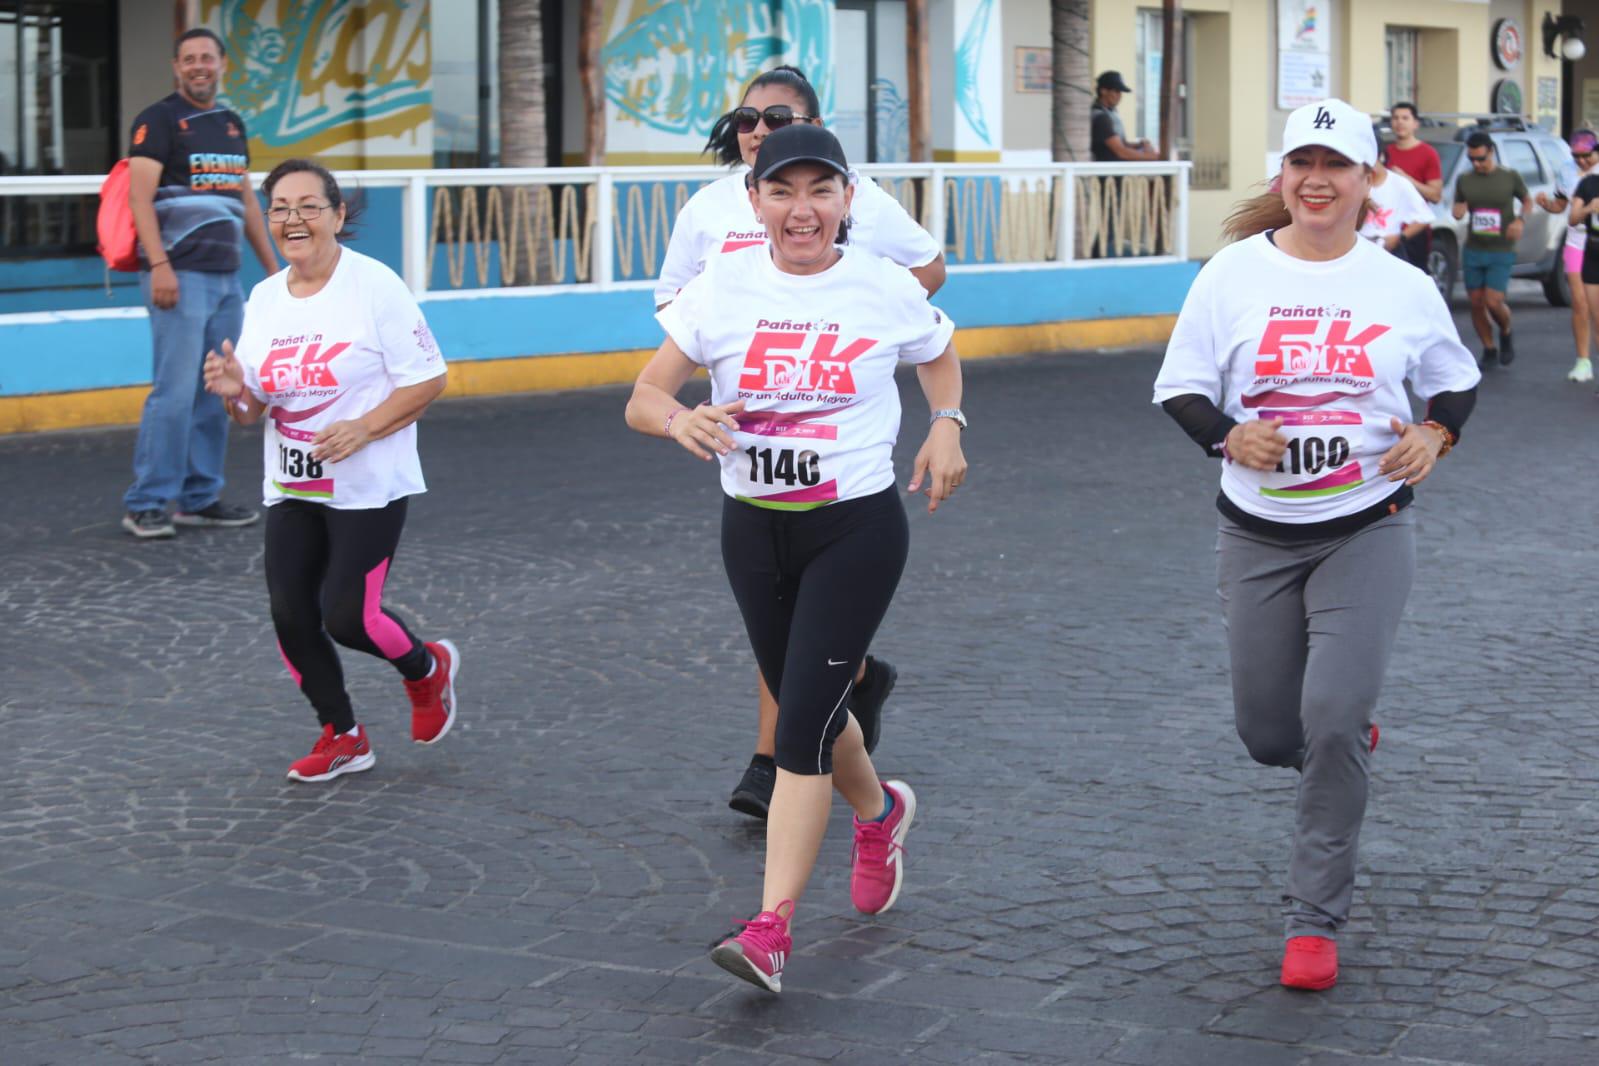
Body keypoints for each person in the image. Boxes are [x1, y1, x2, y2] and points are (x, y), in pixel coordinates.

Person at [626, 124, 967, 993]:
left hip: (853, 527)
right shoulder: (722, 284)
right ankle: (880, 811)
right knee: (811, 705)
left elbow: (937, 356)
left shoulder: (883, 284)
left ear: (847, 200)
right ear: (756, 203)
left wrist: (945, 427)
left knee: (798, 731)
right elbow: (644, 395)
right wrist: (679, 421)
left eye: (820, 190)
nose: (801, 209)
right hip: (751, 528)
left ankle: (770, 928)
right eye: (782, 192)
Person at [1152, 98, 1479, 992]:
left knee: (1329, 720)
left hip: (1366, 527)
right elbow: (1179, 389)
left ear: (1369, 181)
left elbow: (1453, 385)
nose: (1316, 180)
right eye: (1302, 163)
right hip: (1255, 533)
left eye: (1336, 165)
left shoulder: (1401, 287)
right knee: (1268, 732)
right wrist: (1226, 435)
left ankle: (1312, 919)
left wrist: (1433, 439)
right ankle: (1338, 740)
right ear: (1281, 178)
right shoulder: (1230, 275)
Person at [657, 65, 945, 821]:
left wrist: (857, 320)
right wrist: (700, 370)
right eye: (745, 120)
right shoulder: (709, 212)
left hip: (849, 501)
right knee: (797, 680)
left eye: (776, 117)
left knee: (800, 712)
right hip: (751, 494)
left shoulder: (857, 210)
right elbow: (673, 307)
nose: (758, 129)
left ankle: (774, 780)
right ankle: (873, 803)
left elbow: (925, 280)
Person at [201, 159, 458, 783]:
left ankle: (427, 671)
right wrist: (236, 391)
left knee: (348, 617)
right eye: (280, 208)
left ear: (338, 217)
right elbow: (252, 410)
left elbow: (429, 380)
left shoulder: (375, 287)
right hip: (292, 481)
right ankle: (343, 735)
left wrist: (363, 428)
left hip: (368, 481)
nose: (294, 220)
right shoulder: (264, 297)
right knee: (290, 613)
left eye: (309, 206)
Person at [122, 28, 278, 539]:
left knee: (217, 389)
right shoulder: (159, 119)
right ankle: (146, 501)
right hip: (178, 277)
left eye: (206, 58)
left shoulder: (232, 126)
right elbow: (139, 198)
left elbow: (247, 203)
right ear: (176, 67)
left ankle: (199, 495)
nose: (198, 66)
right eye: (188, 59)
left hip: (226, 279)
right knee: (173, 393)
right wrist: (160, 265)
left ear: (222, 64)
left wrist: (275, 269)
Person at [1452, 132, 1531, 367]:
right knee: (1476, 302)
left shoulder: (1509, 176)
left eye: (1481, 159)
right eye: (1472, 159)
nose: (1477, 164)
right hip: (1474, 248)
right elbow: (1458, 205)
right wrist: (1458, 210)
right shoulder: (1465, 179)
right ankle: (1488, 348)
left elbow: (1527, 201)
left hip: (1501, 248)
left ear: (1491, 152)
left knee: (1493, 301)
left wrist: (1520, 220)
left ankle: (1506, 330)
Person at [1546, 130, 1598, 382]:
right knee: (1579, 302)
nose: (1581, 161)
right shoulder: (1566, 170)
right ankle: (1583, 361)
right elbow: (1561, 204)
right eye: (1576, 156)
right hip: (1577, 240)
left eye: (1586, 156)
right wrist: (1547, 204)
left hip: (1596, 241)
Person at [1360, 158, 1433, 266]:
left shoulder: (1399, 183)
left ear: (1381, 157)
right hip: (1360, 249)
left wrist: (1399, 238)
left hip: (1388, 249)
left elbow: (1425, 217)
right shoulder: (1355, 183)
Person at [1569, 151, 1599, 388]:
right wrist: (1589, 208)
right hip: (1594, 257)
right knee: (1598, 319)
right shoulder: (1588, 183)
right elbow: (1572, 218)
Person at [1090, 71, 1160, 163]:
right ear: (1103, 90)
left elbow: (1122, 145)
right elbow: (1121, 152)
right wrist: (1156, 157)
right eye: (1116, 91)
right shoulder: (1100, 117)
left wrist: (1139, 145)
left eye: (1121, 92)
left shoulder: (1110, 112)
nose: (1119, 96)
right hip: (1107, 174)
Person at [1382, 103, 1443, 203]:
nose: (1399, 122)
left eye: (1405, 118)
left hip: (1415, 216)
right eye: (1395, 118)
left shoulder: (1428, 153)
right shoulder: (1384, 152)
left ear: (1416, 124)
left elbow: (1436, 196)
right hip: (1388, 215)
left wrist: (1406, 179)